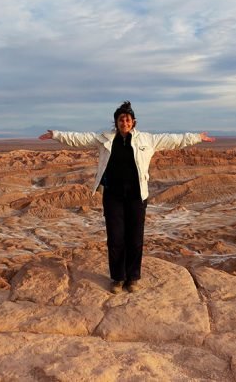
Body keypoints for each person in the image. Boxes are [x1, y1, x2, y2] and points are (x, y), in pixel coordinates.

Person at [39, 101, 215, 294]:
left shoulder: (147, 140)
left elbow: (173, 139)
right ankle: (117, 278)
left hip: (136, 196)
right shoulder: (105, 139)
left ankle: (133, 278)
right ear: (116, 122)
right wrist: (56, 135)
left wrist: (197, 137)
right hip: (113, 195)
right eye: (121, 119)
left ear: (133, 122)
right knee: (115, 238)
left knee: (135, 239)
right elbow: (79, 138)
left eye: (128, 119)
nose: (124, 122)